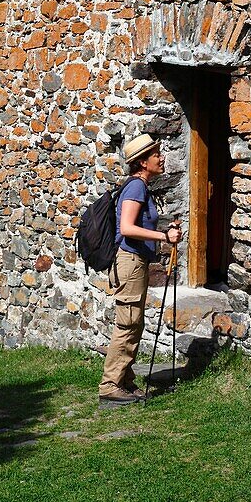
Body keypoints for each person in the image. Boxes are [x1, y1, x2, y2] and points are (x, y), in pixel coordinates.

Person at [98, 133, 182, 406]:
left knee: (133, 323)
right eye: (156, 154)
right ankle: (110, 385)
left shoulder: (140, 187)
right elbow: (128, 228)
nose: (161, 157)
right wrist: (163, 237)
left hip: (135, 262)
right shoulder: (136, 188)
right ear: (143, 162)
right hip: (130, 262)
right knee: (128, 323)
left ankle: (125, 381)